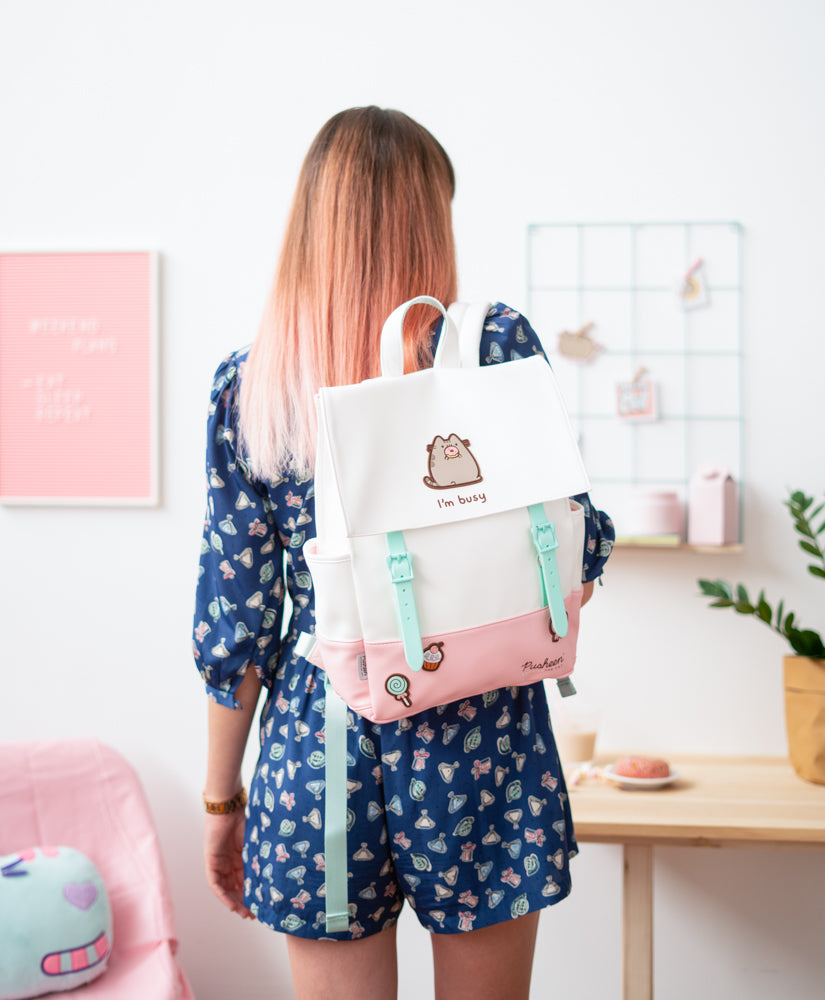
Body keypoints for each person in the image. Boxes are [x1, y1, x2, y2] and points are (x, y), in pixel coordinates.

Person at [192, 106, 614, 1000]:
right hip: (482, 732)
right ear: (432, 220)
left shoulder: (250, 385)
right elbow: (578, 546)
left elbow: (233, 623)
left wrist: (222, 800)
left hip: (319, 740)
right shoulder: (491, 354)